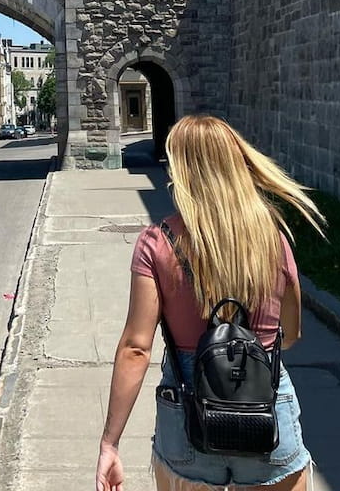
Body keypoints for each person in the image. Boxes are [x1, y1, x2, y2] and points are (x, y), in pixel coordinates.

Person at [96, 114, 326, 491]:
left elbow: (136, 349)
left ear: (183, 172)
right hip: (265, 410)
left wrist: (110, 443)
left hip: (189, 413)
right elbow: (291, 333)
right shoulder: (273, 238)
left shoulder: (157, 242)